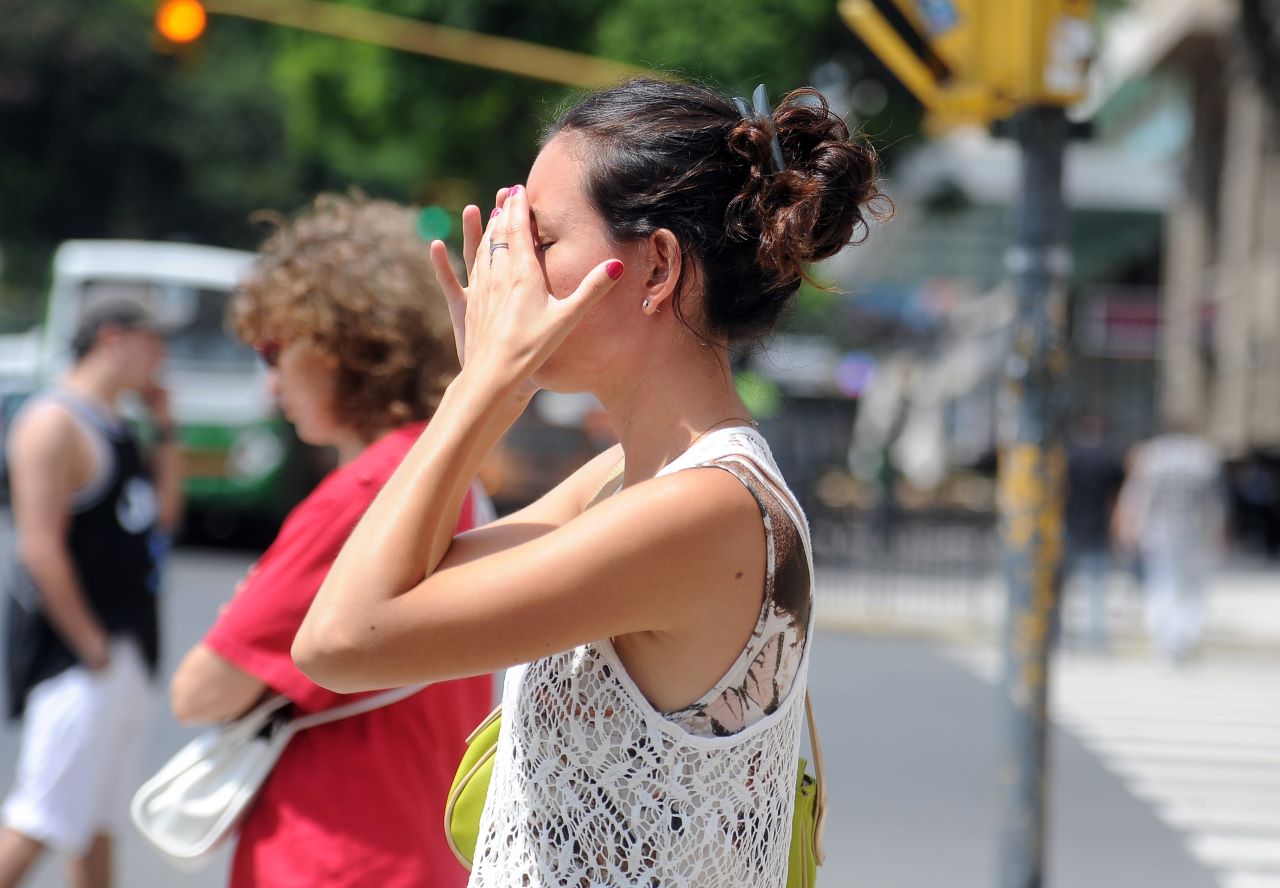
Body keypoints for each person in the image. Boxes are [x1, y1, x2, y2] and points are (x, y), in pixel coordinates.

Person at [292, 79, 886, 886]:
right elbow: (402, 584)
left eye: (539, 242)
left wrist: (482, 389)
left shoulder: (704, 509)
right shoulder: (624, 480)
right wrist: (491, 389)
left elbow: (341, 641)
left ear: (658, 267)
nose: (509, 274)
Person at [167, 194, 492, 888]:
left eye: (275, 348)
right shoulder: (446, 469)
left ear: (342, 343)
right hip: (419, 841)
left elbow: (200, 691)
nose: (270, 376)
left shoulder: (366, 494)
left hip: (332, 851)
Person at [0, 298, 182, 888]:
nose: (161, 358)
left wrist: (168, 430)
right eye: (153, 342)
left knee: (95, 823)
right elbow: (39, 546)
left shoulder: (118, 421)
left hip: (124, 646)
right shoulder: (52, 422)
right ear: (113, 338)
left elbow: (164, 519)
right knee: (40, 816)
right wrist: (92, 647)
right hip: (77, 658)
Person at [1115, 421, 1225, 663]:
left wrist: (1130, 529)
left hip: (1159, 533)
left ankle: (1165, 640)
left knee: (1162, 585)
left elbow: (1137, 497)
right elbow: (1215, 502)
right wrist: (1217, 532)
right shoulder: (1202, 457)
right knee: (1191, 589)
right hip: (1194, 533)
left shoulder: (1152, 456)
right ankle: (1185, 637)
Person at [1063, 413, 1125, 650]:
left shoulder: (1070, 456)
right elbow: (1116, 497)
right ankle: (1096, 640)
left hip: (1070, 525)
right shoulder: (1109, 458)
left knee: (1060, 586)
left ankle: (1058, 636)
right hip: (1099, 527)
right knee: (1097, 588)